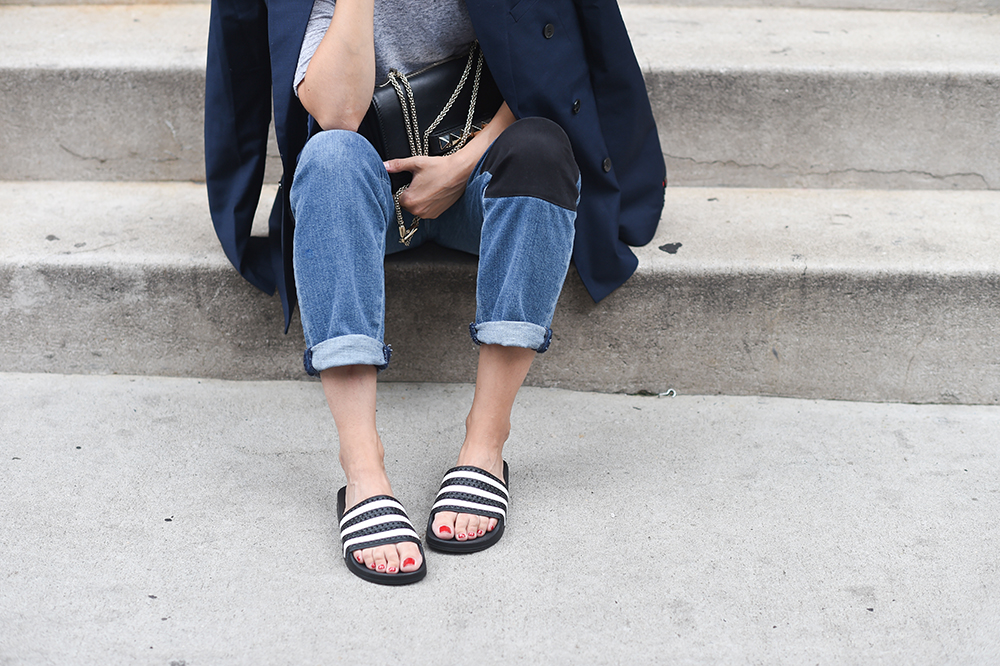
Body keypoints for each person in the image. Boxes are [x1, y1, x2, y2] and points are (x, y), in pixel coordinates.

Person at [206, 0, 665, 586]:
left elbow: (549, 73)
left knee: (543, 150)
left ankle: (485, 445)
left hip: (478, 179)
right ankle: (363, 471)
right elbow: (338, 112)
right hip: (367, 187)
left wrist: (457, 169)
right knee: (327, 158)